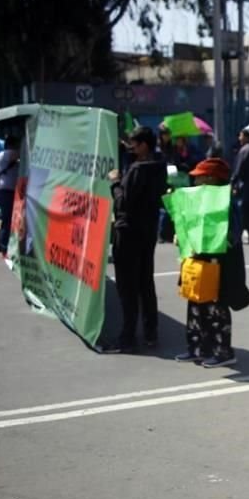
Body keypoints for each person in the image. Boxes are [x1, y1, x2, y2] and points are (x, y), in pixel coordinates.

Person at [174, 158, 249, 368]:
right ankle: (197, 349)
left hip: (219, 263)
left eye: (200, 176)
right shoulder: (197, 199)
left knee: (215, 307)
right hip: (198, 260)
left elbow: (233, 235)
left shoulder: (226, 201)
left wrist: (215, 241)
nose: (196, 179)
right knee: (195, 305)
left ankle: (223, 351)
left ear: (211, 178)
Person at [104, 126, 167, 353]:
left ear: (144, 146)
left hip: (128, 232)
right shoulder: (159, 167)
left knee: (127, 288)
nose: (131, 147)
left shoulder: (137, 170)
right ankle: (151, 333)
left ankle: (127, 337)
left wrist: (115, 182)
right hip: (147, 231)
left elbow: (123, 202)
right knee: (145, 283)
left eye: (134, 144)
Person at [0, 135, 20, 254]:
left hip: (7, 192)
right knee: (8, 219)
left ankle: (8, 245)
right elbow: (20, 154)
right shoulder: (7, 154)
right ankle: (4, 246)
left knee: (9, 219)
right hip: (7, 192)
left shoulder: (2, 155)